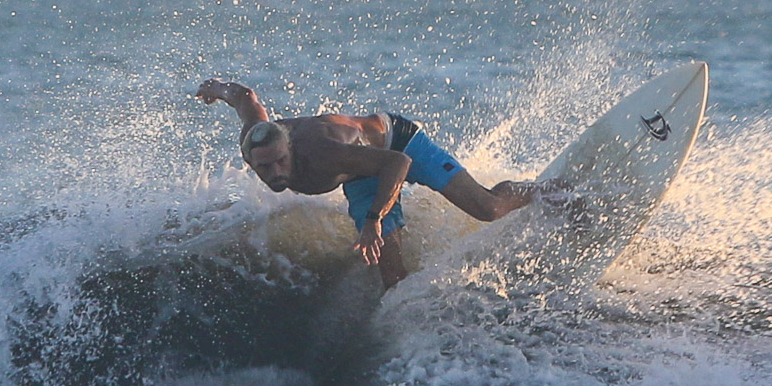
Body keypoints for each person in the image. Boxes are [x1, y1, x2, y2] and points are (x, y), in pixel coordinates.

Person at [196, 78, 557, 288]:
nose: (275, 172)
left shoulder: (322, 152)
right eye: (264, 167)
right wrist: (216, 87)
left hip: (397, 144)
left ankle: (547, 190)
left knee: (487, 208)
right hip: (361, 172)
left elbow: (397, 163)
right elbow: (245, 98)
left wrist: (374, 219)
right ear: (249, 160)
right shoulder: (255, 138)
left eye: (281, 161)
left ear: (290, 146)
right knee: (392, 275)